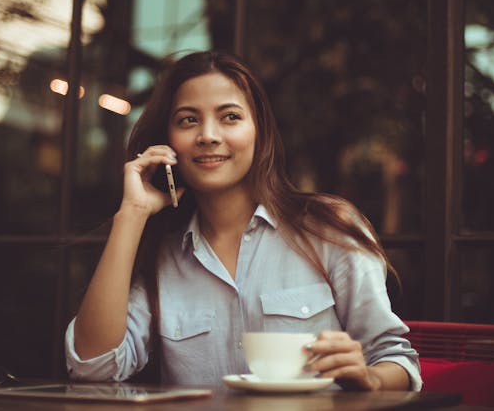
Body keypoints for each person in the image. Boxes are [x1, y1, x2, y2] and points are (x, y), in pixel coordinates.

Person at [65, 51, 421, 390]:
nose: (208, 135)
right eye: (188, 119)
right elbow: (91, 366)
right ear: (169, 141)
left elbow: (397, 360)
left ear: (259, 132)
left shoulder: (327, 228)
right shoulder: (163, 256)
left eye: (230, 117)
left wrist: (370, 378)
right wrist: (131, 214)